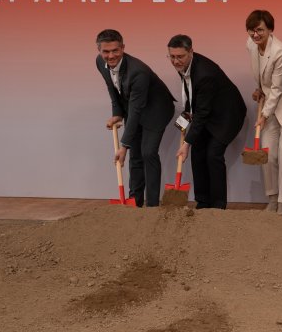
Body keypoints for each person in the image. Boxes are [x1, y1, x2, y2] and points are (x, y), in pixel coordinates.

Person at [95, 29, 175, 207]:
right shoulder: (100, 62)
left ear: (123, 48)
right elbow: (112, 88)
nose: (111, 55)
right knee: (135, 157)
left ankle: (152, 205)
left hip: (156, 110)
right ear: (99, 51)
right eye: (106, 51)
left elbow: (137, 110)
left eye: (115, 50)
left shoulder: (138, 72)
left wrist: (124, 145)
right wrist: (117, 113)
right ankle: (135, 202)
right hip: (134, 106)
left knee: (148, 153)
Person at [169, 34, 247, 209]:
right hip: (208, 112)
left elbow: (202, 113)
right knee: (198, 154)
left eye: (180, 56)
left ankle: (218, 206)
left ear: (191, 52)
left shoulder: (205, 74)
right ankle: (203, 202)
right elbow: (191, 96)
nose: (175, 61)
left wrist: (186, 143)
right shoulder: (185, 66)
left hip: (227, 115)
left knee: (213, 155)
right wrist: (182, 123)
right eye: (172, 56)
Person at [245, 10, 282, 214]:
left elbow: (278, 88)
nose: (255, 35)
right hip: (270, 103)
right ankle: (272, 198)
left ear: (270, 30)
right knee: (268, 154)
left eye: (260, 30)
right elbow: (264, 78)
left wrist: (263, 116)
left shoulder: (281, 51)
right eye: (252, 30)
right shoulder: (250, 45)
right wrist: (260, 89)